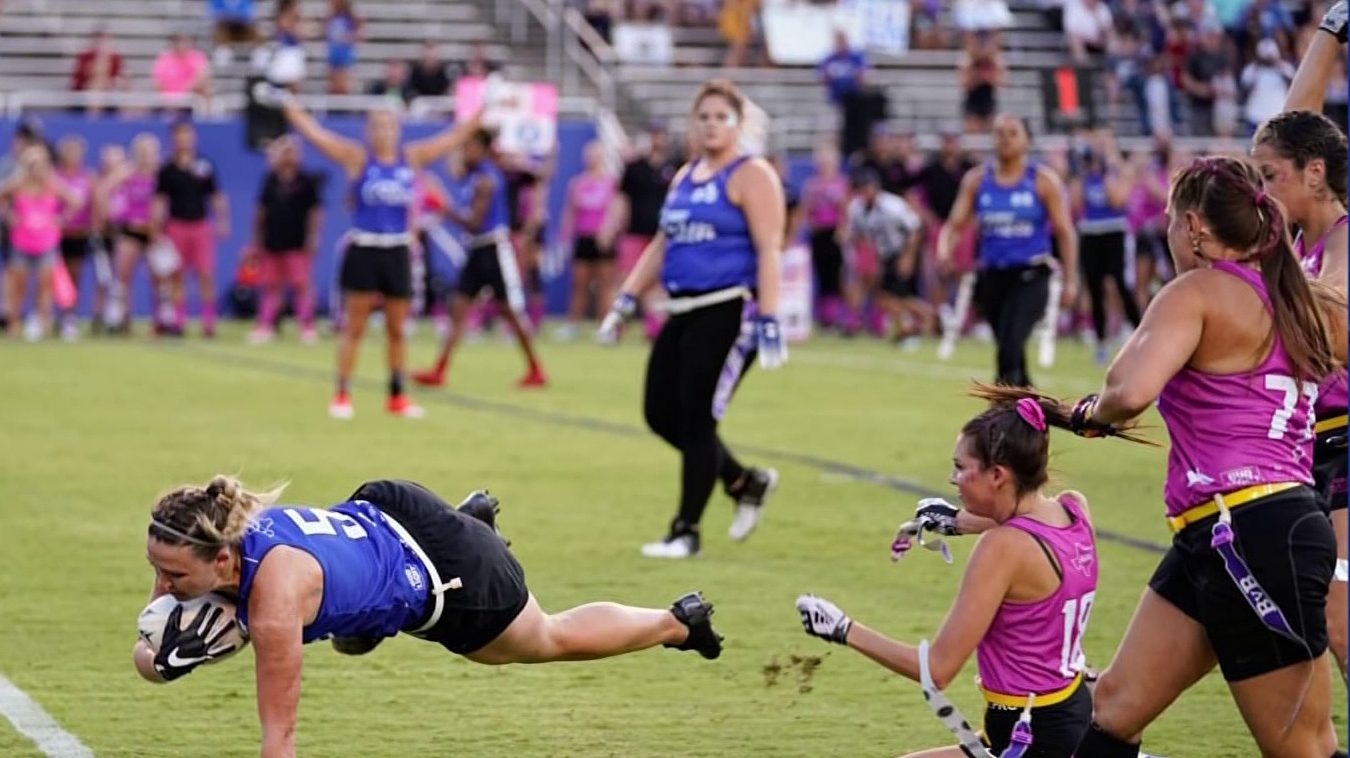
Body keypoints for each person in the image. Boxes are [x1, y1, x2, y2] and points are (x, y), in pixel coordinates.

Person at [135, 476, 723, 758]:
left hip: (448, 574)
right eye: (157, 571)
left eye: (174, 577)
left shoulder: (273, 604)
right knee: (353, 631)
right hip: (391, 505)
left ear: (220, 558)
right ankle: (470, 524)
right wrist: (168, 656)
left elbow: (280, 739)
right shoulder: (229, 531)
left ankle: (677, 621)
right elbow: (149, 660)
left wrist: (193, 651)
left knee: (544, 638)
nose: (161, 589)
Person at [1071, 155, 1342, 757]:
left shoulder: (1197, 290)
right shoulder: (1299, 296)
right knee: (1115, 706)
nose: (1167, 234)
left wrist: (1089, 415)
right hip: (1222, 532)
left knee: (1303, 750)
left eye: (1169, 221)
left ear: (1194, 227)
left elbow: (1129, 391)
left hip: (1251, 532)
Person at [796, 387, 1122, 758]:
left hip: (1032, 738)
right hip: (1061, 713)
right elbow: (1027, 519)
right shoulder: (1074, 508)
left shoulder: (1001, 547)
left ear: (997, 474)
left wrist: (843, 629)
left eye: (960, 468)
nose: (952, 479)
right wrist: (955, 521)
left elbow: (937, 670)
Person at [596, 79, 787, 559]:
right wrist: (624, 300)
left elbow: (770, 249)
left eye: (721, 117)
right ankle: (744, 481)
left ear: (738, 124)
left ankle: (686, 531)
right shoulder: (686, 176)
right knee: (660, 413)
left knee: (699, 418)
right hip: (681, 308)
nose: (711, 125)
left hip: (727, 307)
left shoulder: (751, 174)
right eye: (703, 116)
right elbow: (663, 244)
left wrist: (769, 317)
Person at [263, 84, 481, 419]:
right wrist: (291, 108)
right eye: (377, 125)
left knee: (397, 329)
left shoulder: (413, 158)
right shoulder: (358, 158)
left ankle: (396, 396)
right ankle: (342, 394)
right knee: (355, 327)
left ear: (398, 129)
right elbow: (317, 135)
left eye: (390, 125)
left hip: (397, 251)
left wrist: (485, 108)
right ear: (368, 130)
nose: (384, 131)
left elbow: (454, 136)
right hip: (365, 248)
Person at [1254, 0, 1350, 686]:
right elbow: (1294, 128)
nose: (1261, 190)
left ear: (1314, 176)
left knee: (1340, 622)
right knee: (1317, 623)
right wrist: (1331, 31)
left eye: (1269, 179)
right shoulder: (1299, 239)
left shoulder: (1342, 241)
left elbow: (1337, 319)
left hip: (1347, 445)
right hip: (1308, 448)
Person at [939, 115, 1078, 387]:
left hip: (1031, 275)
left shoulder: (1042, 181)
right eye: (999, 133)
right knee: (1007, 346)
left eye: (1013, 133)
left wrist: (1071, 281)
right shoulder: (978, 180)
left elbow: (1065, 232)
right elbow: (954, 225)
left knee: (1011, 345)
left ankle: (1002, 415)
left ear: (1027, 140)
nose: (1004, 139)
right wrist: (945, 252)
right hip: (992, 277)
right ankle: (1031, 411)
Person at [410, 129, 548, 389]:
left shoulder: (487, 179)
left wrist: (442, 206)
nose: (465, 151)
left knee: (511, 313)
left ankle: (536, 368)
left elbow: (474, 223)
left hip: (493, 250)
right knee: (458, 311)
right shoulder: (474, 175)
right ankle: (439, 369)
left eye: (470, 147)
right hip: (476, 251)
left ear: (483, 149)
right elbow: (455, 169)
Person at [841, 168, 934, 348]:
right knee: (888, 297)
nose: (865, 192)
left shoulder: (893, 205)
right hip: (884, 255)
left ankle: (930, 318)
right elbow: (858, 233)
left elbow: (915, 229)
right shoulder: (857, 208)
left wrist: (908, 257)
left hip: (902, 249)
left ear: (876, 188)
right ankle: (910, 327)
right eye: (862, 188)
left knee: (893, 296)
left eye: (868, 188)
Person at [1071, 132, 1141, 365]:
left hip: (1114, 231)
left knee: (1121, 283)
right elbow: (1077, 203)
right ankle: (1101, 340)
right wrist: (1084, 171)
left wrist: (1107, 166)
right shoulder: (1086, 175)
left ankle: (1139, 333)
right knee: (1094, 286)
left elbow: (1117, 199)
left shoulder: (1117, 171)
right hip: (1091, 232)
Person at [155, 120, 228, 338]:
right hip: (176, 225)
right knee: (178, 275)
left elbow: (216, 195)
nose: (183, 140)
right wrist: (157, 227)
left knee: (205, 273)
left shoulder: (204, 165)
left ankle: (209, 322)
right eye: (179, 135)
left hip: (200, 225)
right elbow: (160, 200)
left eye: (187, 135)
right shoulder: (167, 169)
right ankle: (179, 321)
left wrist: (223, 219)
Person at [247, 135, 323, 344]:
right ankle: (266, 325)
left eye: (293, 151)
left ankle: (307, 327)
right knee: (271, 286)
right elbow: (261, 211)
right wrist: (256, 240)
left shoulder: (306, 180)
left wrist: (313, 238)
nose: (289, 156)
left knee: (301, 285)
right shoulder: (270, 179)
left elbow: (315, 213)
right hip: (272, 241)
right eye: (285, 151)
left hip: (297, 242)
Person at [610, 121, 680, 342]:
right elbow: (622, 200)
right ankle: (616, 326)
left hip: (661, 235)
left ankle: (654, 329)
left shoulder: (675, 168)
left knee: (657, 285)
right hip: (634, 233)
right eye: (654, 135)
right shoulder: (635, 168)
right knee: (625, 280)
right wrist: (614, 225)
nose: (657, 140)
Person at [2, 146, 78, 340]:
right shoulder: (18, 184)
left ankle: (44, 324)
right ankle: (14, 325)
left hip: (47, 242)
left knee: (45, 286)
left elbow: (75, 201)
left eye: (40, 164)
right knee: (19, 286)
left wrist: (60, 220)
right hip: (21, 241)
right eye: (33, 165)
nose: (37, 169)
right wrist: (9, 216)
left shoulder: (52, 185)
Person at [559, 141, 618, 339]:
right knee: (579, 285)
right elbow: (570, 212)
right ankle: (573, 325)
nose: (593, 159)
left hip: (603, 240)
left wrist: (609, 232)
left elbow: (615, 210)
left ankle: (605, 327)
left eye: (596, 155)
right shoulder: (577, 183)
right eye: (590, 155)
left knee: (605, 286)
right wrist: (565, 238)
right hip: (583, 238)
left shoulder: (611, 182)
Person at [799, 141, 850, 330]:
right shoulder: (812, 184)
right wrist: (811, 224)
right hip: (819, 233)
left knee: (836, 276)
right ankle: (825, 317)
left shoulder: (841, 183)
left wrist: (843, 230)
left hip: (834, 234)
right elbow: (806, 209)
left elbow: (846, 210)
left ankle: (839, 315)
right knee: (821, 274)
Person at [56, 135, 95, 339]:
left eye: (77, 152)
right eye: (70, 152)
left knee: (74, 277)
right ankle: (47, 315)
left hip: (78, 233)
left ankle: (69, 317)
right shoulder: (55, 176)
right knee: (51, 277)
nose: (73, 156)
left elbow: (92, 204)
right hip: (54, 235)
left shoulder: (87, 177)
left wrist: (94, 227)